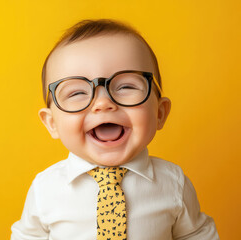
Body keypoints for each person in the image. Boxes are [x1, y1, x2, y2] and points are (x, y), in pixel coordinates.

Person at [11, 19, 219, 239]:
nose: (103, 103)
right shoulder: (46, 189)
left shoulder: (173, 183)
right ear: (52, 123)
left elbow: (197, 234)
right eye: (77, 93)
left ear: (159, 113)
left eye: (126, 86)